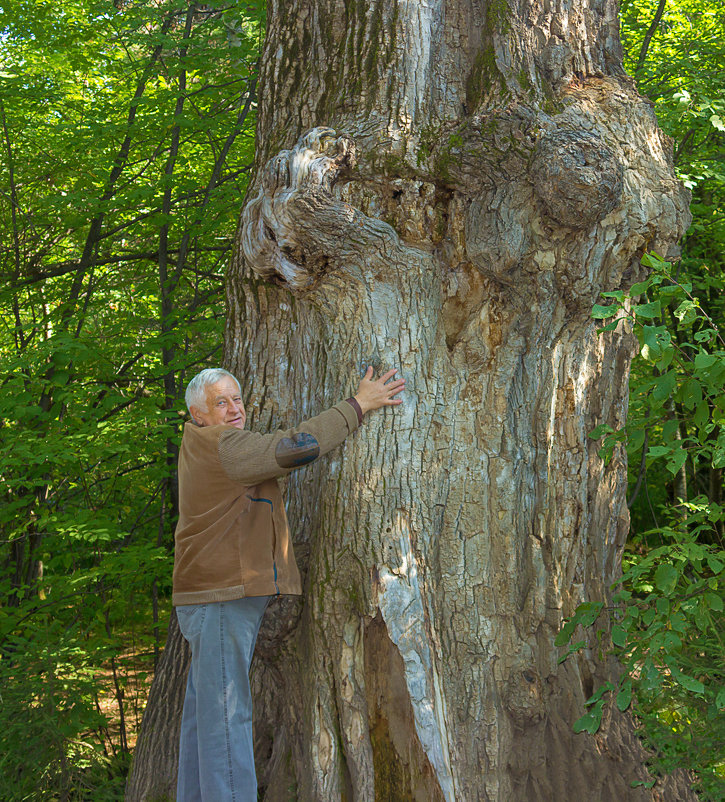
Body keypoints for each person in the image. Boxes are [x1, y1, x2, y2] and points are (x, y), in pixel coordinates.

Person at [172, 365, 405, 801]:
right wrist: (360, 404)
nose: (234, 408)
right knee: (226, 719)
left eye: (237, 399)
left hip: (209, 598)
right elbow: (298, 447)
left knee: (205, 718)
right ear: (197, 414)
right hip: (221, 597)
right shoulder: (223, 446)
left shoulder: (199, 444)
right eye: (220, 403)